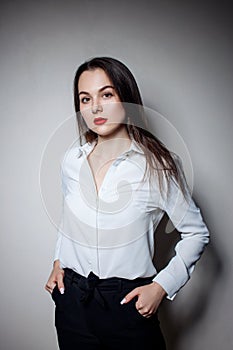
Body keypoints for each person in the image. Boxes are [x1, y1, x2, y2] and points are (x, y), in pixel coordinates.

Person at [45, 56, 209, 350]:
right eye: (85, 98)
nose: (95, 107)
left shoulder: (160, 166)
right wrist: (60, 261)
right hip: (72, 303)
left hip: (127, 305)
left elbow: (197, 233)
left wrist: (161, 287)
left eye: (106, 94)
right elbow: (69, 221)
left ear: (126, 97)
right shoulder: (72, 160)